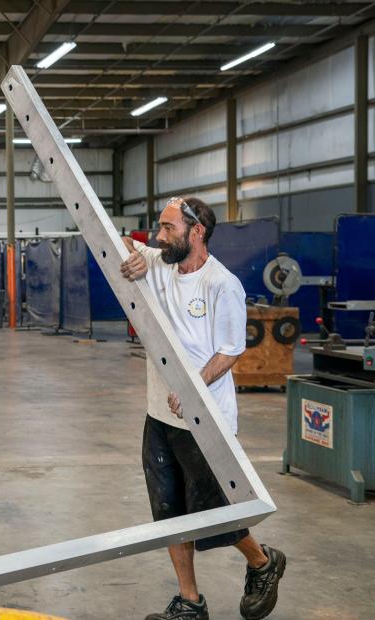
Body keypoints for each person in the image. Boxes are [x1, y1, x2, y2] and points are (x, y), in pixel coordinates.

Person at [119, 197, 285, 620]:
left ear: (196, 231)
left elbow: (230, 352)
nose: (159, 236)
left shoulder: (221, 283)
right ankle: (190, 601)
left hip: (204, 419)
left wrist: (193, 388)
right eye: (158, 228)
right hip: (159, 414)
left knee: (211, 510)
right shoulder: (160, 261)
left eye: (168, 228)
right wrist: (132, 256)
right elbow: (118, 244)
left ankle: (263, 562)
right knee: (168, 510)